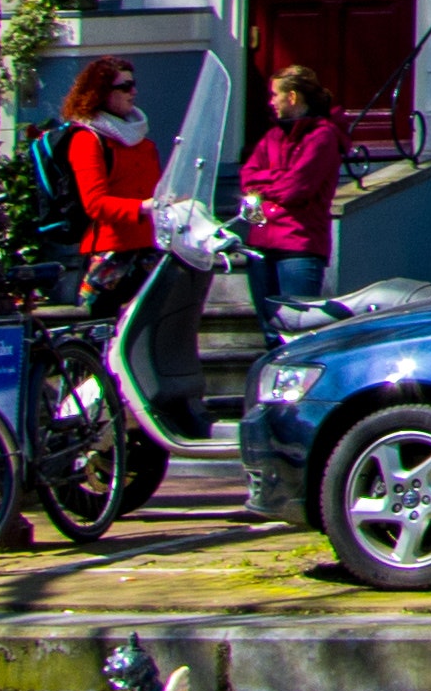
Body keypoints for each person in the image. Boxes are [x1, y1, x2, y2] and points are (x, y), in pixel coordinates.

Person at [55, 60, 206, 438]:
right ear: (101, 92)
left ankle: (145, 414)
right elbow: (95, 203)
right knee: (97, 345)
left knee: (150, 337)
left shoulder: (144, 140)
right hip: (109, 256)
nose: (133, 91)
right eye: (124, 86)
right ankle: (77, 420)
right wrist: (145, 208)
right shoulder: (86, 139)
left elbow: (157, 193)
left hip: (148, 250)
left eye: (133, 84)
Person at [233, 68, 344, 324]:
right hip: (261, 245)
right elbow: (247, 176)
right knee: (269, 329)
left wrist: (268, 182)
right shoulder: (273, 135)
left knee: (297, 327)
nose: (270, 102)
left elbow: (297, 189)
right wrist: (280, 178)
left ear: (292, 97)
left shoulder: (322, 136)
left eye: (274, 95)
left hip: (298, 247)